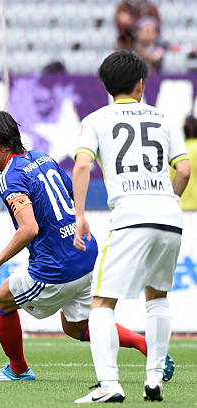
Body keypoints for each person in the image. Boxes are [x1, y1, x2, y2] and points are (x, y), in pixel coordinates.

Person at [0, 111, 174, 384]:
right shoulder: (42, 158)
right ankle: (145, 345)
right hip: (84, 252)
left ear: (3, 143)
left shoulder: (9, 177)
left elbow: (29, 228)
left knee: (0, 300)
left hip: (56, 266)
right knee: (75, 327)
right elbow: (70, 193)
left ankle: (18, 370)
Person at [73, 50, 190, 403]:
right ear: (141, 84)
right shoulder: (164, 119)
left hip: (130, 215)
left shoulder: (96, 119)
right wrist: (166, 199)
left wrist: (79, 215)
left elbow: (81, 166)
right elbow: (182, 170)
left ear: (108, 86)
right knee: (157, 298)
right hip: (169, 214)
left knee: (102, 304)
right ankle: (153, 381)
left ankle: (109, 385)